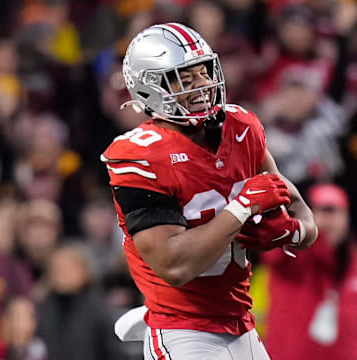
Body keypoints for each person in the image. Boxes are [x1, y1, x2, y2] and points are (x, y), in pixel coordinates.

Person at [101, 22, 318, 359]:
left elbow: (302, 217)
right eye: (185, 80)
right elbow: (175, 266)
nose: (202, 85)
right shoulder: (139, 155)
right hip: (182, 329)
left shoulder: (241, 128)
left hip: (240, 322)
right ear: (151, 88)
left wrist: (290, 232)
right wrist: (242, 208)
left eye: (203, 73)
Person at [260, 183, 357, 360]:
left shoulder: (353, 261)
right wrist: (309, 232)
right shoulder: (294, 254)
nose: (329, 220)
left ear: (347, 216)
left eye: (335, 211)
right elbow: (273, 252)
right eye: (322, 211)